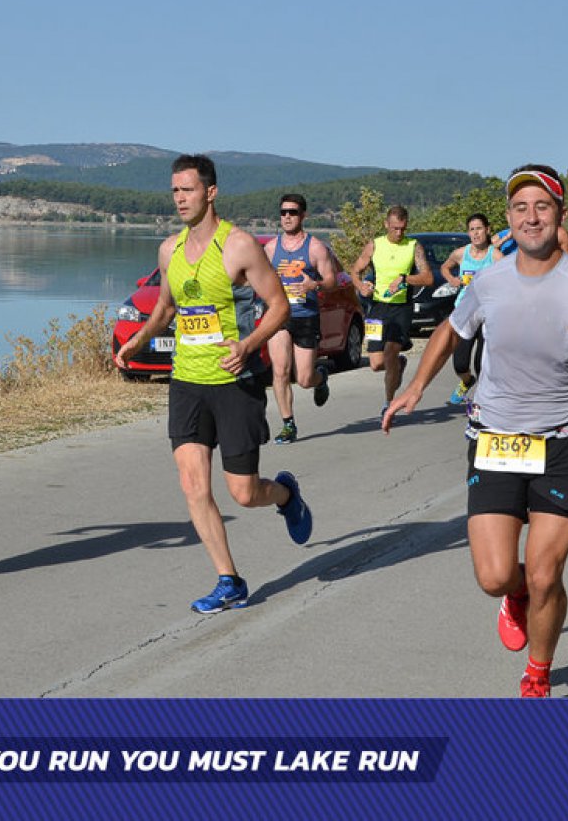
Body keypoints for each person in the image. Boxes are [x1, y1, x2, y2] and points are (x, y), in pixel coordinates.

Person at [383, 164, 568, 697]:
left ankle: (538, 673)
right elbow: (450, 329)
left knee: (545, 575)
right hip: (495, 437)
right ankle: (516, 596)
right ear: (508, 220)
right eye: (520, 208)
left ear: (560, 214)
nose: (530, 217)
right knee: (496, 577)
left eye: (542, 206)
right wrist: (416, 386)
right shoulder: (489, 280)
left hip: (563, 439)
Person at [114, 155, 313, 614]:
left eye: (187, 189)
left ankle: (285, 494)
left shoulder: (239, 246)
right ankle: (230, 580)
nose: (180, 198)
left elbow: (279, 306)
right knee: (193, 486)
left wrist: (249, 344)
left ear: (210, 192)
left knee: (244, 493)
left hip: (234, 381)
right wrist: (137, 341)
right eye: (174, 190)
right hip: (187, 381)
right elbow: (166, 308)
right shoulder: (169, 251)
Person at [263, 193, 337, 444]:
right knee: (280, 370)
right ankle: (288, 424)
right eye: (283, 212)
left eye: (292, 212)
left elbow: (332, 281)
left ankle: (320, 377)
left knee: (304, 379)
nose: (287, 217)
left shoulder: (315, 248)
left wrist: (315, 285)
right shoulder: (270, 248)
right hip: (279, 316)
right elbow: (259, 278)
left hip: (306, 315)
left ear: (303, 215)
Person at [350, 205, 434, 419]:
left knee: (389, 353)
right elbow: (355, 271)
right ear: (386, 224)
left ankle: (388, 403)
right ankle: (399, 364)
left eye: (402, 229)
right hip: (377, 308)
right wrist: (361, 286)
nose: (399, 233)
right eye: (395, 228)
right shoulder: (375, 245)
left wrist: (405, 279)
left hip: (401, 309)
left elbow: (428, 278)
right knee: (377, 363)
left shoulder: (413, 246)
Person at [438, 212, 504, 405]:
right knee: (460, 363)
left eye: (479, 229)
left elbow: (509, 278)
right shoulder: (461, 253)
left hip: (487, 315)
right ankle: (467, 381)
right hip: (464, 312)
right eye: (472, 229)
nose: (476, 233)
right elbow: (444, 267)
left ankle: (482, 401)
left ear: (487, 230)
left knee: (480, 363)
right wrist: (452, 279)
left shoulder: (496, 256)